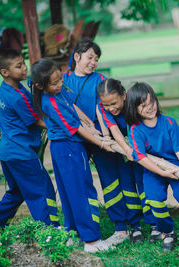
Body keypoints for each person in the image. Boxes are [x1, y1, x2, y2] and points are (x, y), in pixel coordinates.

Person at [31, 58, 111, 253]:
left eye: (60, 79)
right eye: (55, 82)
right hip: (69, 149)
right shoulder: (50, 101)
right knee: (82, 192)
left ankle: (73, 234)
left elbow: (71, 105)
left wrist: (89, 123)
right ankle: (91, 240)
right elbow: (74, 128)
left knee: (70, 193)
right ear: (41, 86)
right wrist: (100, 142)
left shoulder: (57, 91)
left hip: (63, 149)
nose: (60, 84)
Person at [63, 38, 136, 246]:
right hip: (75, 138)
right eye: (89, 57)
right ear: (77, 57)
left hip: (100, 136)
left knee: (113, 178)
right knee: (79, 183)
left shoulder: (100, 80)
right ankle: (75, 229)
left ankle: (124, 227)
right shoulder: (64, 80)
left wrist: (103, 137)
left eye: (96, 59)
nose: (93, 62)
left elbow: (102, 110)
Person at [0, 49, 59, 237]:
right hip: (22, 153)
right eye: (19, 66)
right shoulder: (17, 96)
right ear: (5, 72)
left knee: (16, 191)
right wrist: (63, 125)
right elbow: (37, 121)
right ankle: (50, 232)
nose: (25, 68)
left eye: (24, 63)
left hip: (8, 152)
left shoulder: (7, 88)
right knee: (43, 189)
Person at [125, 82, 179, 252]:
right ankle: (167, 232)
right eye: (143, 106)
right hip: (153, 169)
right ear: (134, 108)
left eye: (152, 103)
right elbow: (141, 157)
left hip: (176, 164)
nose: (150, 108)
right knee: (152, 198)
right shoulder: (136, 129)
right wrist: (162, 172)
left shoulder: (169, 123)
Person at [96, 78, 161, 244]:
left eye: (114, 103)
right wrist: (127, 150)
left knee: (144, 185)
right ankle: (135, 226)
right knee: (128, 187)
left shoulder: (133, 104)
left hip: (141, 151)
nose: (111, 108)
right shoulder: (104, 110)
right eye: (106, 105)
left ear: (124, 95)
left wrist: (137, 151)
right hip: (123, 153)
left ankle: (154, 224)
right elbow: (114, 130)